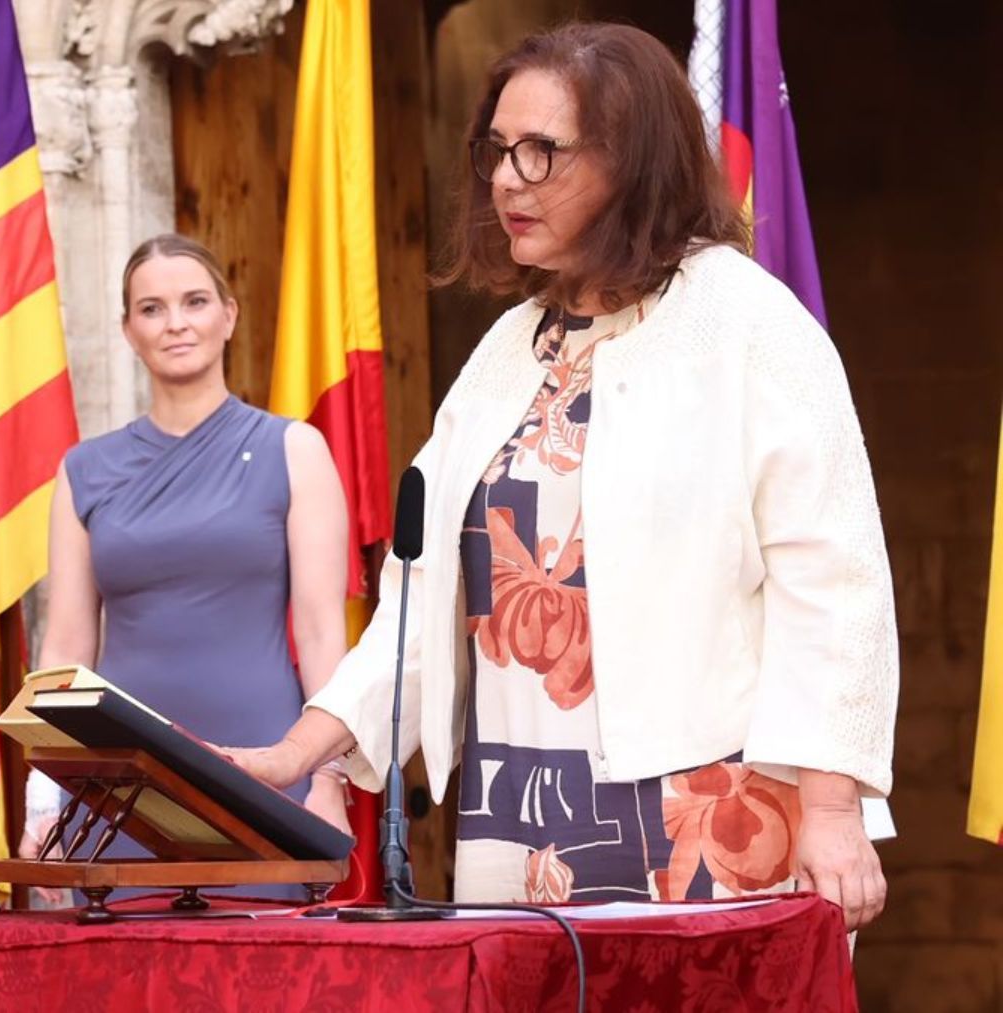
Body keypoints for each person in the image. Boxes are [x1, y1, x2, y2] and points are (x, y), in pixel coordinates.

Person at [228, 22, 896, 931]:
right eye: (499, 150)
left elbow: (832, 576)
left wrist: (830, 809)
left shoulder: (749, 323)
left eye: (542, 151)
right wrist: (300, 748)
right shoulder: (511, 346)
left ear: (633, 161)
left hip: (705, 813)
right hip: (518, 815)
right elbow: (424, 590)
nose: (507, 178)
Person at [25, 234, 353, 884]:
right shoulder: (84, 470)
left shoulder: (295, 449)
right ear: (127, 329)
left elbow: (321, 633)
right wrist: (46, 799)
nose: (175, 322)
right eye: (152, 308)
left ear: (228, 315)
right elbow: (64, 646)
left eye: (194, 301)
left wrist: (329, 779)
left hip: (261, 770)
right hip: (118, 779)